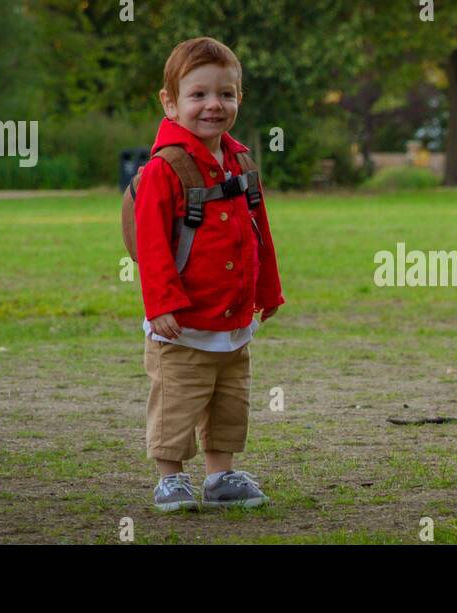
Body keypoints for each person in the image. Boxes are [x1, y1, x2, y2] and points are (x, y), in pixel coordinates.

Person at [133, 37, 285, 511]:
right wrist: (160, 305)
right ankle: (170, 478)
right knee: (177, 401)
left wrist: (267, 292)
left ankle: (221, 476)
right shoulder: (165, 169)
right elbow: (152, 244)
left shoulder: (240, 162)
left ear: (239, 97)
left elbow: (257, 231)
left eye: (226, 94)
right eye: (198, 95)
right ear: (171, 102)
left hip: (233, 319)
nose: (213, 105)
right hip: (181, 322)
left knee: (228, 401)